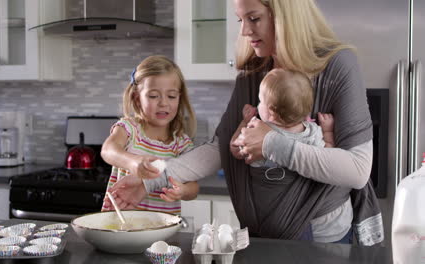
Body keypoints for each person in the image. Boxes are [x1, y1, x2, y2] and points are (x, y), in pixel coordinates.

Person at [108, 0, 383, 245]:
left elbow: (357, 170)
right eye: (241, 20)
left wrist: (271, 142)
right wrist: (149, 183)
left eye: (254, 18)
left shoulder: (336, 65)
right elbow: (219, 148)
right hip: (261, 235)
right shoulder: (255, 70)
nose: (244, 31)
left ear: (285, 15)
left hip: (320, 239)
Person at [100, 55, 199, 214]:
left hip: (163, 231)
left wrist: (182, 191)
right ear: (137, 98)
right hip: (122, 228)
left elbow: (193, 187)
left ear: (179, 99)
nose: (163, 103)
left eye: (171, 96)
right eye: (153, 96)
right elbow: (108, 150)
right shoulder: (129, 129)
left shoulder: (181, 144)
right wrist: (133, 162)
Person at [230, 68, 335, 169]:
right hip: (300, 186)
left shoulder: (256, 130)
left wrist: (245, 121)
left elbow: (235, 149)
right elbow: (329, 158)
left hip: (264, 184)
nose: (258, 103)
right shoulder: (312, 133)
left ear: (271, 112)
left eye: (261, 100)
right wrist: (327, 131)